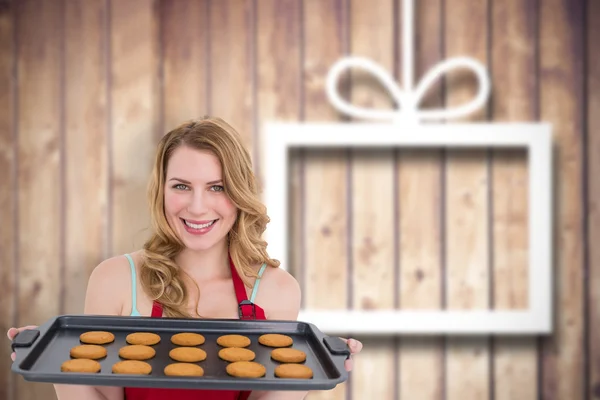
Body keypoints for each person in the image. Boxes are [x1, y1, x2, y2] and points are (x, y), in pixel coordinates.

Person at [7, 117, 363, 400]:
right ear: (161, 190)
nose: (196, 207)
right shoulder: (116, 279)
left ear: (239, 193)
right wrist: (51, 362)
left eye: (217, 187)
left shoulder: (275, 291)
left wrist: (312, 372)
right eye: (181, 186)